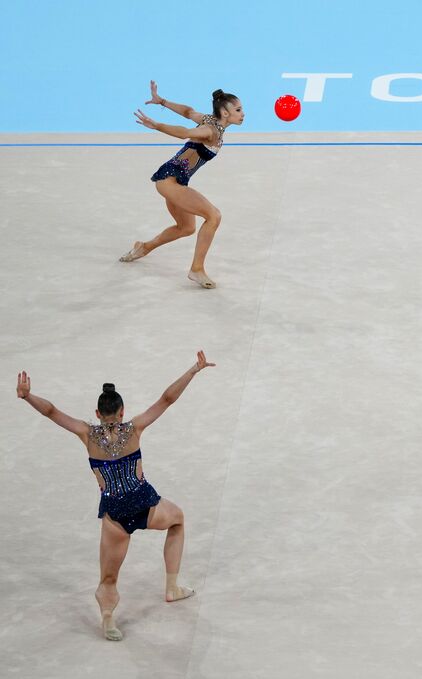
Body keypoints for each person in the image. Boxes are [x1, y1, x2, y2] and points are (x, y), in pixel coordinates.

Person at [15, 351, 216, 641]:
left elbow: (52, 412)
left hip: (115, 516)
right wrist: (193, 370)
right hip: (147, 505)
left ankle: (108, 618)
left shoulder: (87, 434)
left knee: (108, 579)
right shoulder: (133, 429)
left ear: (97, 413)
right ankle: (172, 587)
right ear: (122, 411)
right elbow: (166, 399)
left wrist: (27, 397)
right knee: (178, 521)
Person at [120, 81, 245, 288]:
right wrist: (157, 125)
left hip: (174, 180)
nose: (243, 113)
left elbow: (188, 112)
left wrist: (162, 101)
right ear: (224, 112)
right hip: (170, 181)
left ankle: (143, 247)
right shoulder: (210, 132)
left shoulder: (210, 121)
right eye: (238, 110)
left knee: (186, 228)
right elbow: (185, 132)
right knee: (214, 216)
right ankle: (197, 269)